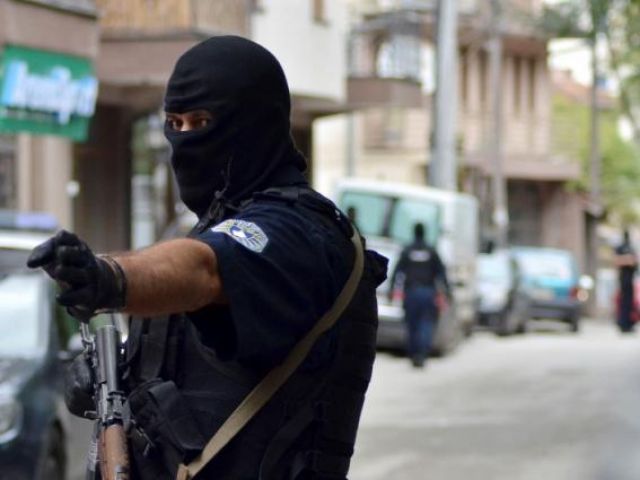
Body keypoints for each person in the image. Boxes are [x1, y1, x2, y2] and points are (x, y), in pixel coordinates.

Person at [27, 36, 387, 480]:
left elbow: (205, 270)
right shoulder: (211, 229)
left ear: (257, 124)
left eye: (200, 121)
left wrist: (111, 277)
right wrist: (115, 378)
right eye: (173, 123)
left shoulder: (301, 234)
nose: (183, 139)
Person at [389, 222, 450, 368]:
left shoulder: (407, 250)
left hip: (411, 293)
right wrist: (447, 291)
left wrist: (391, 289)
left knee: (412, 325)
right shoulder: (431, 251)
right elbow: (441, 272)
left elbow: (397, 271)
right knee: (426, 324)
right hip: (428, 293)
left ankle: (414, 353)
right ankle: (421, 354)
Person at [614, 229, 637, 333]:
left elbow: (634, 262)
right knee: (622, 303)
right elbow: (616, 261)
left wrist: (628, 260)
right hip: (623, 279)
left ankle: (629, 324)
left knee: (629, 303)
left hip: (630, 279)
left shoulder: (632, 248)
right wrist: (627, 259)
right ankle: (622, 324)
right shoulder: (620, 248)